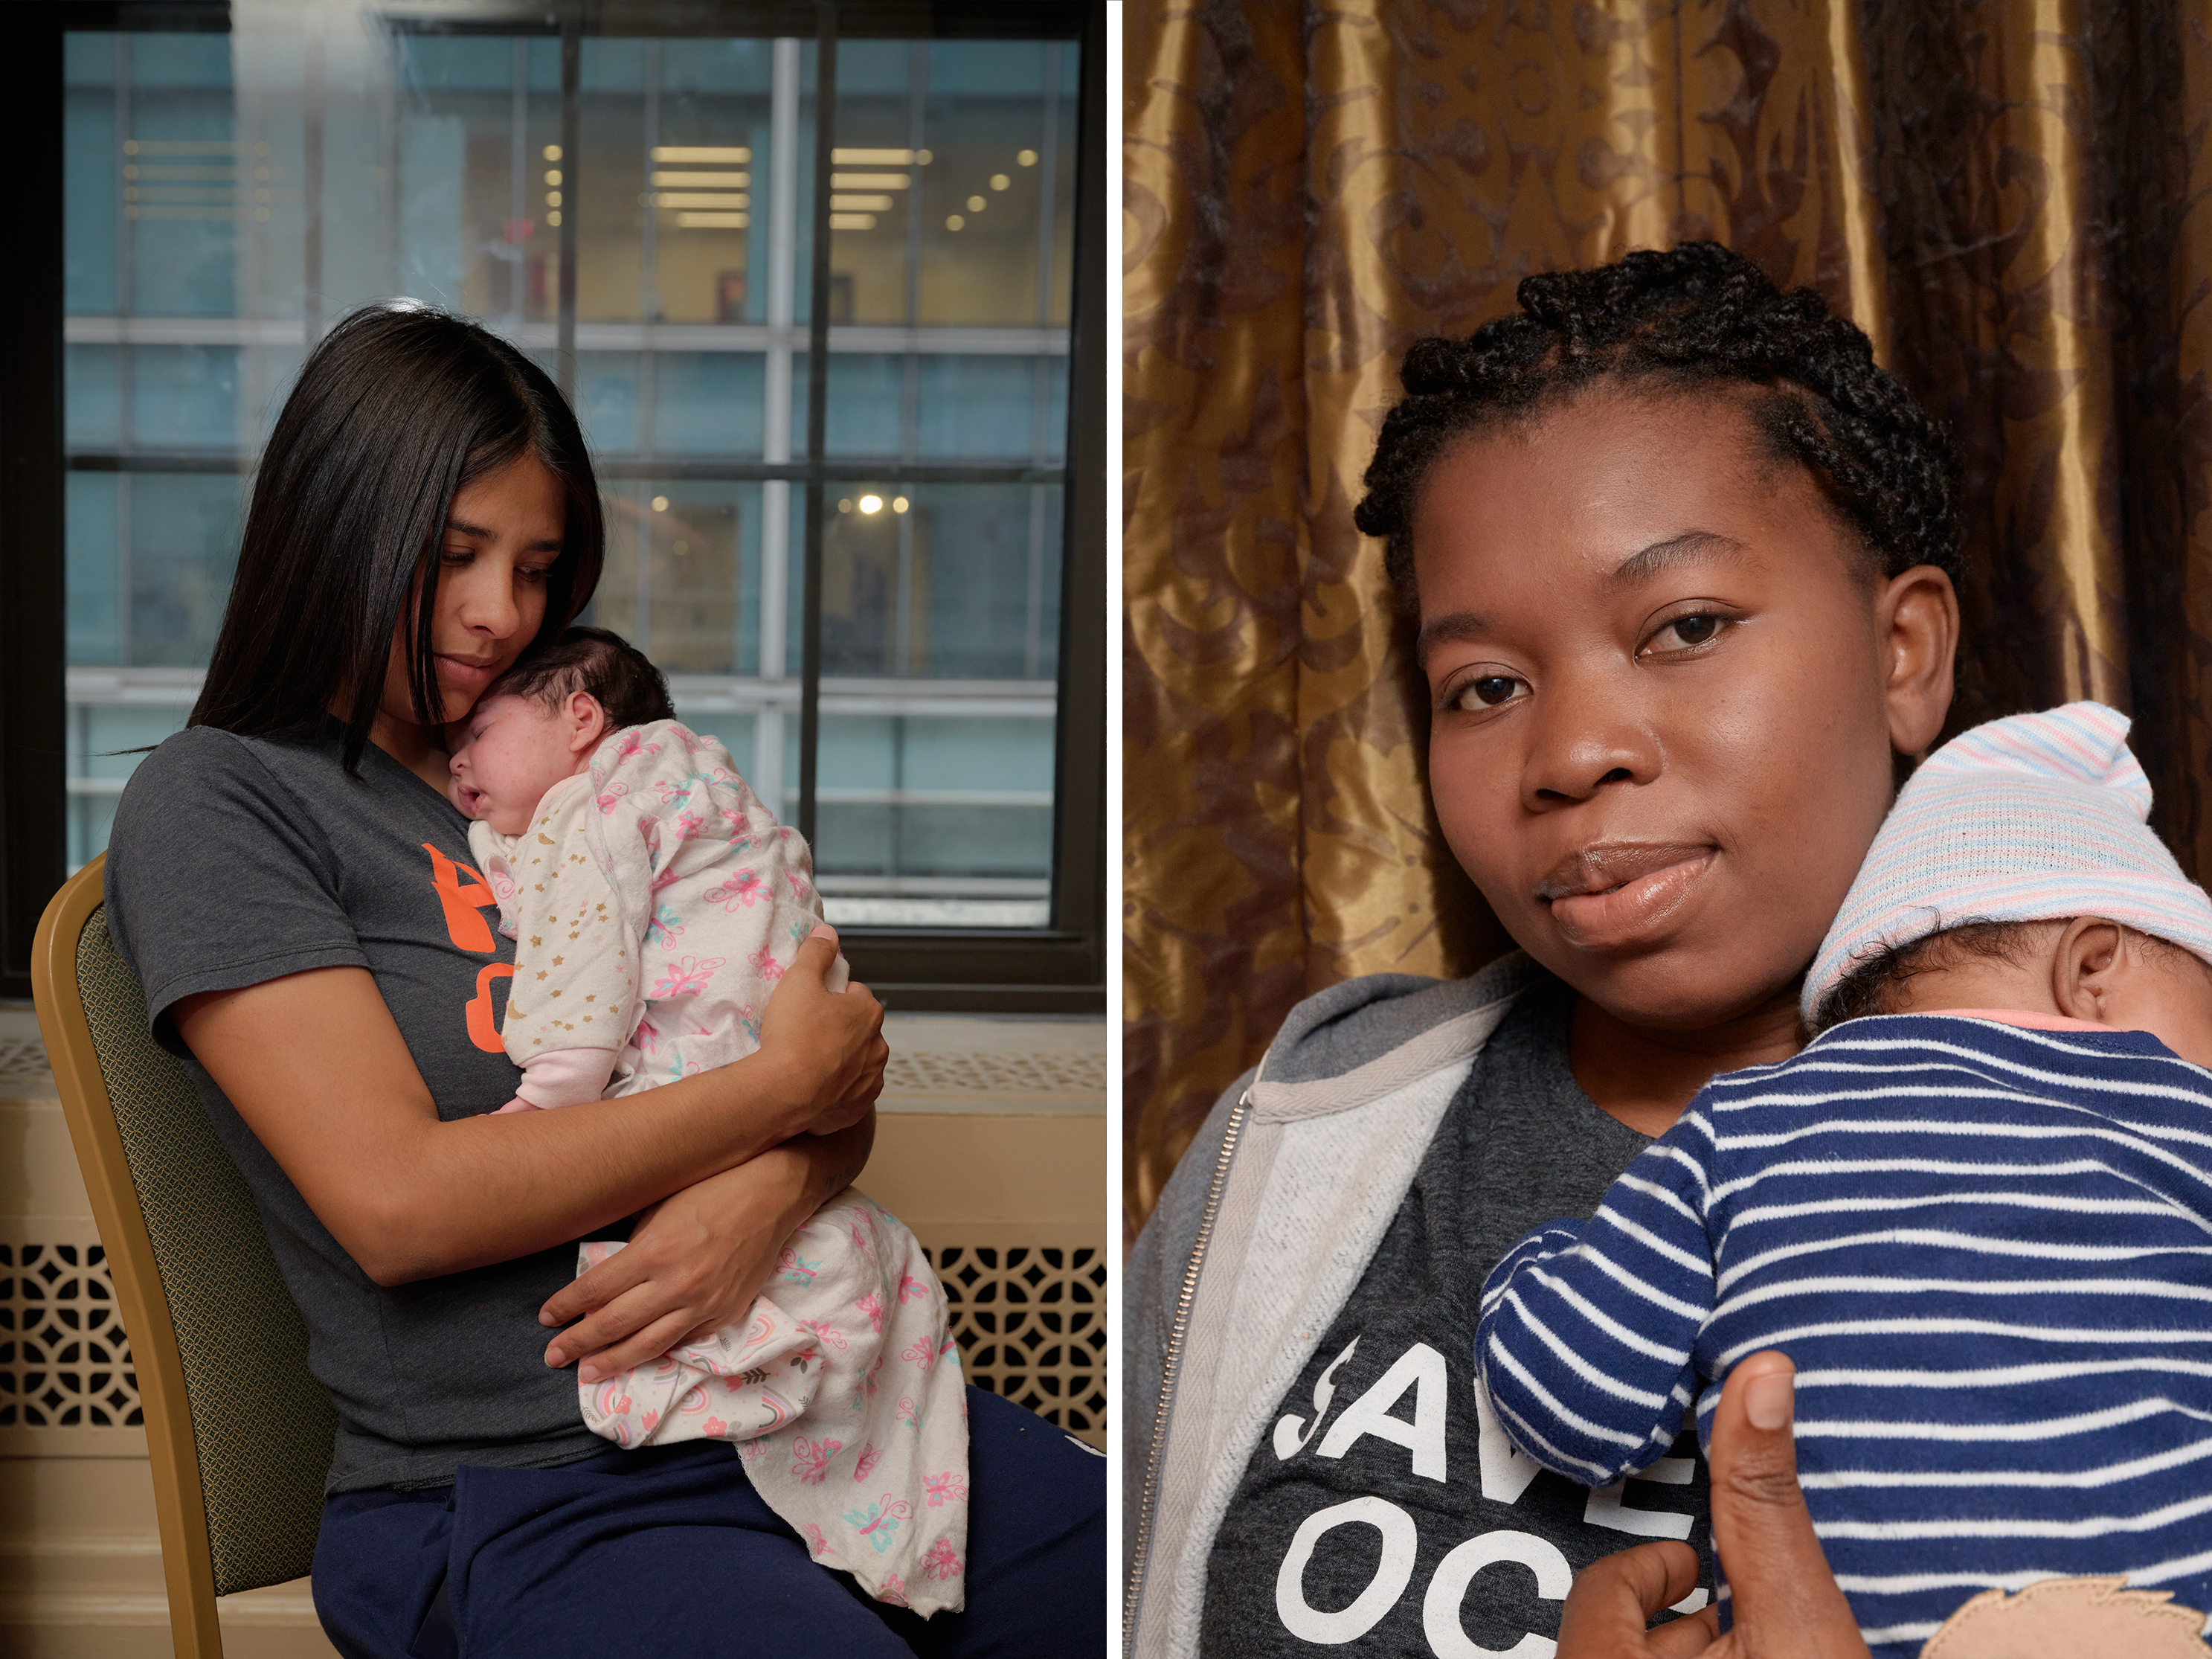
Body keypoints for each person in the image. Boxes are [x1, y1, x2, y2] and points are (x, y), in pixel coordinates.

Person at [102, 304, 1105, 1658]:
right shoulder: (220, 802)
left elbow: (812, 1055)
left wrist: (775, 1183)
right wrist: (778, 1098)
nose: (500, 611)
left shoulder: (571, 766)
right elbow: (400, 1208)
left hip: (809, 1406)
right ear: (336, 522)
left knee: (1179, 1577)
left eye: (537, 564)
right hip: (526, 1483)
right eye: (455, 556)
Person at [1125, 241, 1961, 1656]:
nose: (1569, 753)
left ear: (1902, 655)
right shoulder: (1300, 1131)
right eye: (1485, 686)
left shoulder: (2140, 1159)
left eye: (1682, 626)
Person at [1478, 700, 2212, 1655]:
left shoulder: (1743, 1122)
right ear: (2093, 966)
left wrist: (1533, 1262)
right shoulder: (2187, 1114)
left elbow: (1573, 1401)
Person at [448, 624, 968, 1615]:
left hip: (719, 1066)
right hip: (775, 1095)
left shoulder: (603, 799)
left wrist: (544, 1099)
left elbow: (584, 967)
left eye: (480, 730)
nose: (458, 760)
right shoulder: (701, 783)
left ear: (582, 719)